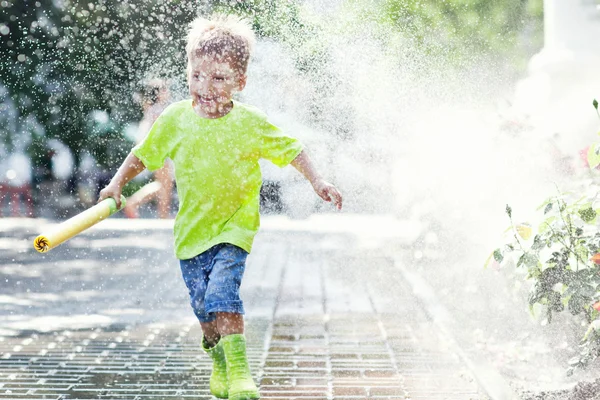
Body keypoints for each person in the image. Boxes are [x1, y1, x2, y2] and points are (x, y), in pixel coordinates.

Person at [98, 14, 342, 400]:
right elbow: (143, 156)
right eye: (197, 76)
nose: (205, 88)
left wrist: (318, 181)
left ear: (240, 82)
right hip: (192, 232)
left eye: (219, 78)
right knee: (205, 312)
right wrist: (115, 184)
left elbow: (294, 150)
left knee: (222, 295)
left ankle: (242, 374)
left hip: (234, 228)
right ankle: (219, 359)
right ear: (189, 72)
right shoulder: (176, 118)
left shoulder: (250, 123)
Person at [124, 79, 174, 218]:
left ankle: (136, 203)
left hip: (157, 149)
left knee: (164, 183)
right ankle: (161, 214)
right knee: (165, 184)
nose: (168, 92)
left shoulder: (152, 108)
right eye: (164, 89)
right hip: (159, 149)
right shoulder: (159, 109)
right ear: (158, 94)